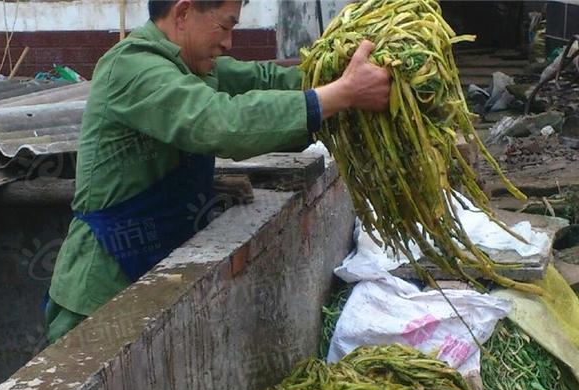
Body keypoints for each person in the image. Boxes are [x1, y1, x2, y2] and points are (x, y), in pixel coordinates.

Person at [45, 0, 391, 342]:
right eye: (225, 26)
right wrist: (341, 94)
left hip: (156, 271)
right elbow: (219, 124)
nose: (229, 42)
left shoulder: (190, 67)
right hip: (103, 286)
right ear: (183, 12)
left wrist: (336, 73)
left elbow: (264, 80)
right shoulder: (132, 67)